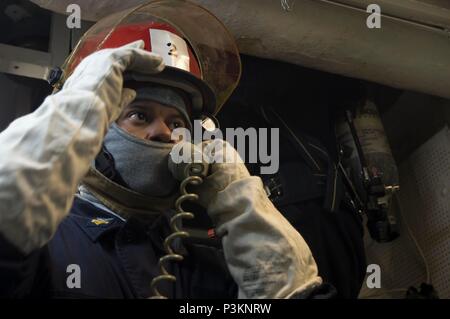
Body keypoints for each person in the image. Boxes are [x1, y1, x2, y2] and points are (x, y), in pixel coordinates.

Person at [0, 2, 332, 299]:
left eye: (177, 124)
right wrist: (68, 115)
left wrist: (240, 200)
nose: (163, 133)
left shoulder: (201, 262)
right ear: (91, 128)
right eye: (139, 115)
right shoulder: (46, 244)